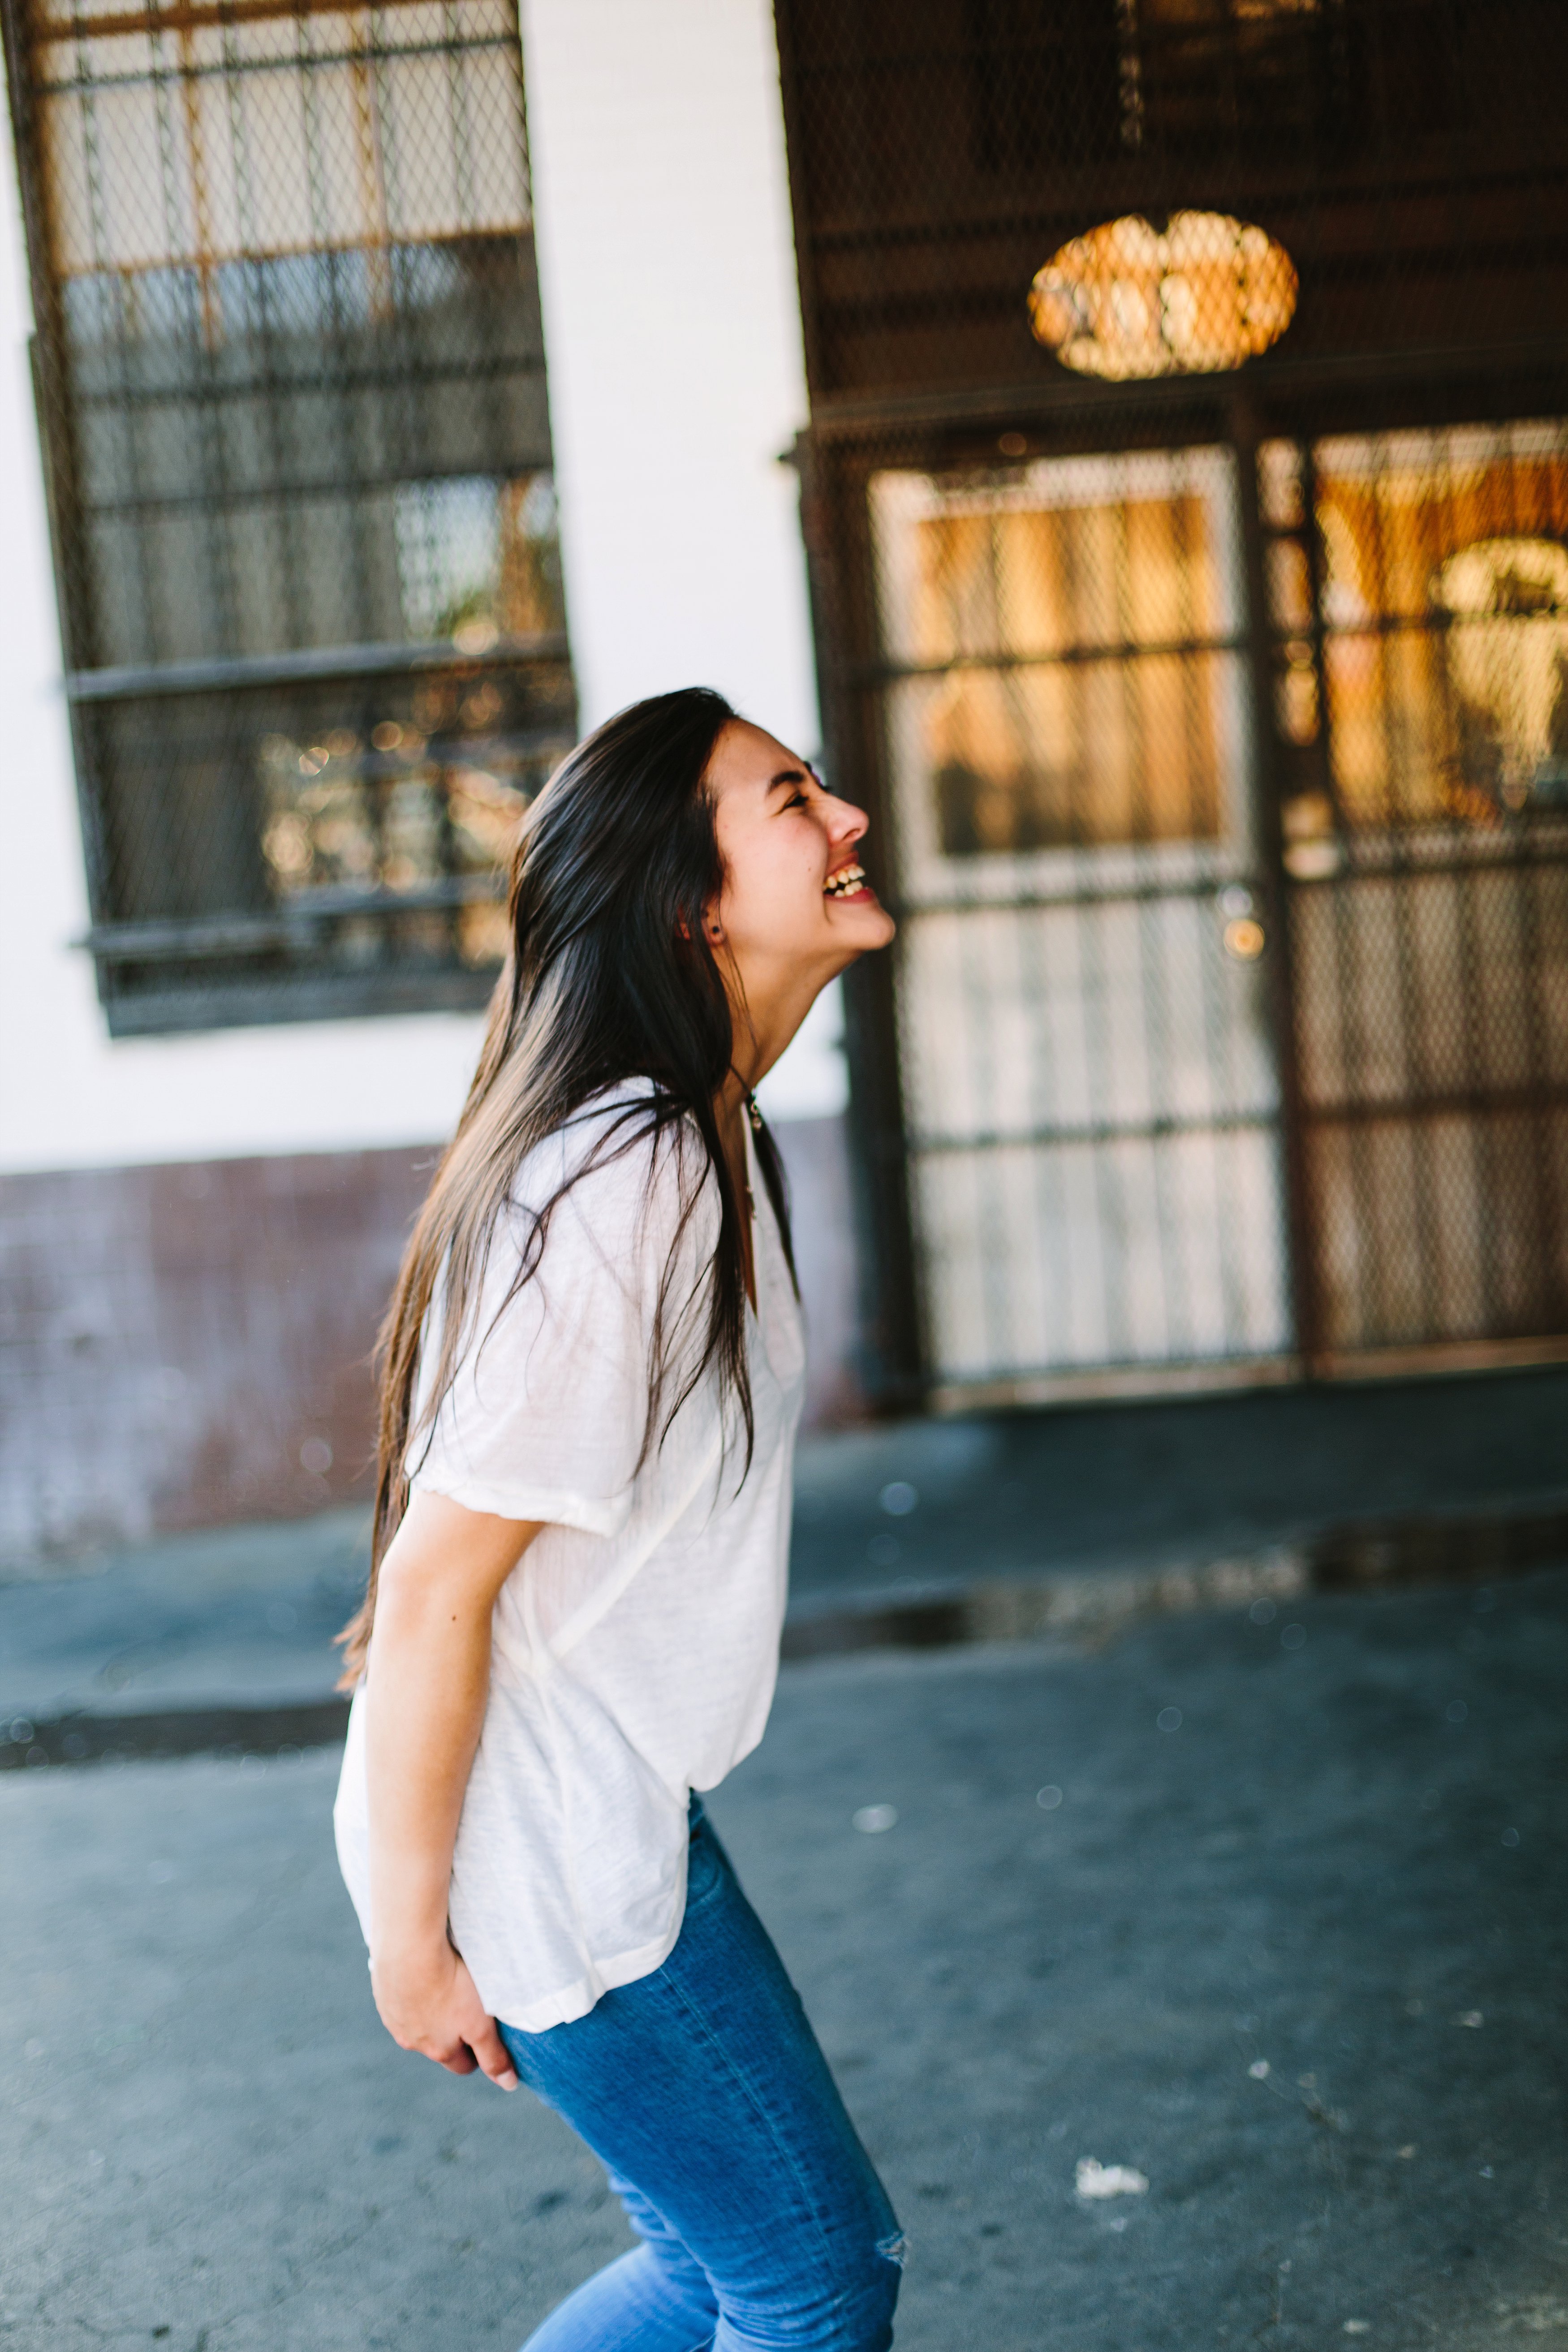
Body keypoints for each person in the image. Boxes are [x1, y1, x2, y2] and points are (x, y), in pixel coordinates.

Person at [332, 688, 904, 2351]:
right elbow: (438, 1589)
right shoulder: (628, 1173)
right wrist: (410, 1941)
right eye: (791, 799)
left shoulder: (693, 1133)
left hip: (594, 1790)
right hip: (538, 1829)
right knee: (811, 2280)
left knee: (719, 2262)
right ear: (694, 899)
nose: (846, 814)